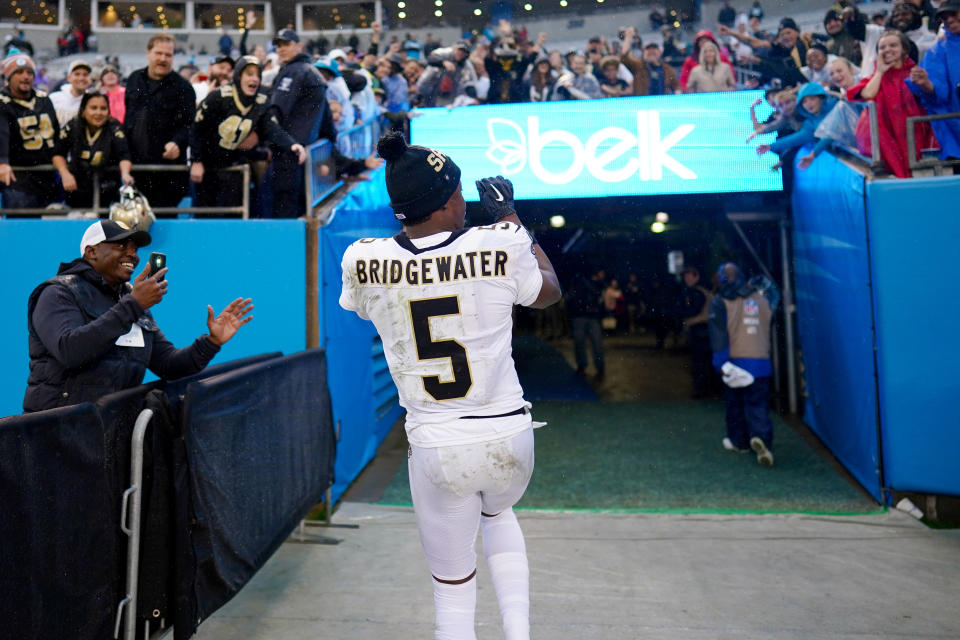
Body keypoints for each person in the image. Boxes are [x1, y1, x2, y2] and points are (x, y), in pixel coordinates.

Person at [339, 131, 561, 640]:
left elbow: (362, 304)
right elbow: (548, 292)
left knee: (453, 586)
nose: (464, 199)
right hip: (508, 434)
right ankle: (519, 633)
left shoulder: (362, 259)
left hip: (439, 443)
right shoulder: (498, 242)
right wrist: (511, 219)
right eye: (457, 191)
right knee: (499, 512)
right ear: (444, 200)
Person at [23, 219, 253, 413]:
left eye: (134, 248)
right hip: (56, 431)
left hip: (110, 431)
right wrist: (133, 305)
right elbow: (70, 350)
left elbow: (169, 365)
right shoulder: (57, 292)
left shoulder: (130, 299)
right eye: (122, 246)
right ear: (91, 252)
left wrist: (211, 342)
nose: (132, 255)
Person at [190, 55, 306, 209]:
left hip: (232, 165)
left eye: (258, 74)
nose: (255, 79)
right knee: (205, 213)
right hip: (207, 167)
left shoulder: (261, 101)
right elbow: (196, 129)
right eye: (249, 74)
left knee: (232, 213)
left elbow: (271, 127)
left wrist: (291, 144)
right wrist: (196, 161)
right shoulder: (218, 97)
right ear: (238, 76)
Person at [708, 263, 779, 466]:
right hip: (761, 362)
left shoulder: (720, 301)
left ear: (722, 278)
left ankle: (739, 442)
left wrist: (719, 363)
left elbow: (719, 336)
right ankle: (761, 438)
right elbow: (775, 292)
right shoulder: (763, 298)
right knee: (758, 405)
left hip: (736, 363)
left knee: (735, 405)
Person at [847, 29, 935, 178]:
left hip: (915, 136)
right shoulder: (875, 77)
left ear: (904, 50)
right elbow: (868, 94)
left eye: (893, 45)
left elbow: (933, 96)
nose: (887, 50)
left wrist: (924, 83)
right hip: (887, 142)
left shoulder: (916, 74)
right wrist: (880, 72)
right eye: (882, 47)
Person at [124, 34, 196, 207]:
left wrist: (178, 143)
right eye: (158, 53)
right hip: (135, 171)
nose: (163, 59)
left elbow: (191, 125)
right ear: (148, 53)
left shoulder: (184, 88)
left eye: (168, 55)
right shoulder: (134, 79)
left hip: (167, 173)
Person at [268, 28, 327, 218]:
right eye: (278, 45)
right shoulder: (313, 72)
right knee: (299, 208)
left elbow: (275, 112)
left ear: (299, 46)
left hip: (288, 153)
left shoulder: (293, 72)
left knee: (281, 209)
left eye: (286, 44)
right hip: (307, 152)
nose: (280, 49)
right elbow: (326, 123)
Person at [52, 92, 133, 209]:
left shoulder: (114, 126)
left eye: (103, 108)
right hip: (77, 189)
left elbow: (124, 155)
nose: (98, 113)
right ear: (84, 111)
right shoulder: (73, 125)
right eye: (93, 108)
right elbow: (58, 153)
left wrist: (125, 173)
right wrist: (65, 173)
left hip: (107, 189)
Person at [0, 52, 59, 209]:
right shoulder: (3, 103)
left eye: (29, 72)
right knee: (22, 219)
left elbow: (56, 134)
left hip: (47, 174)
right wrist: (2, 162)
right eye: (19, 73)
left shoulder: (44, 100)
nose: (25, 77)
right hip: (19, 175)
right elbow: (2, 134)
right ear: (8, 78)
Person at [908, 1, 960, 165]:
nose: (949, 19)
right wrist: (926, 84)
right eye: (944, 17)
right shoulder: (938, 51)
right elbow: (935, 94)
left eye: (953, 14)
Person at [565, 269, 606, 379]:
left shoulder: (593, 282)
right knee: (586, 343)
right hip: (582, 315)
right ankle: (588, 367)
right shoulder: (579, 280)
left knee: (590, 343)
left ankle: (591, 367)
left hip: (585, 315)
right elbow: (572, 296)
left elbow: (570, 297)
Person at [681, 267, 713, 399]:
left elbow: (700, 313)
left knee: (700, 362)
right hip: (702, 331)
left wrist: (688, 321)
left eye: (689, 276)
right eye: (685, 276)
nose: (686, 278)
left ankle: (701, 390)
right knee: (701, 362)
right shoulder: (698, 291)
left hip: (702, 331)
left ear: (696, 277)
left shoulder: (698, 292)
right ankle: (703, 389)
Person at [49, 59, 93, 127]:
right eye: (77, 74)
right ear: (69, 78)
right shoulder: (54, 98)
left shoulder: (92, 101)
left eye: (85, 75)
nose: (81, 78)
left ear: (90, 79)